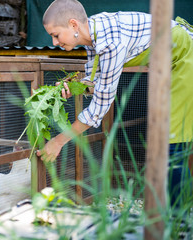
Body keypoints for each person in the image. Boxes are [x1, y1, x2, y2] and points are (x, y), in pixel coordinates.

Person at [37, 0, 193, 206]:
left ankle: (179, 219)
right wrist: (72, 87)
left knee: (172, 144)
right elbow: (95, 82)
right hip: (167, 62)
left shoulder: (109, 43)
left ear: (74, 25)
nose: (54, 42)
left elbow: (100, 107)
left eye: (55, 35)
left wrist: (58, 141)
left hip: (184, 58)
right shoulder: (91, 35)